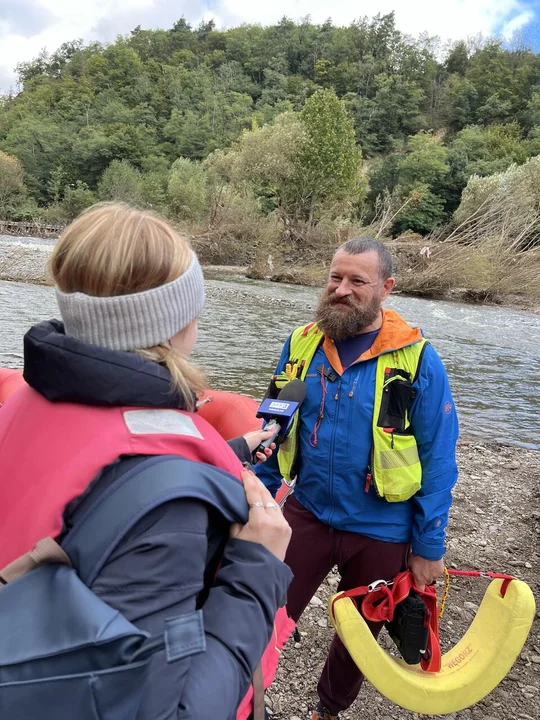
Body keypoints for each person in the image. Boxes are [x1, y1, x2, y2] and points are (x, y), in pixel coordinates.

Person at [0, 203, 292, 720]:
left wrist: (230, 454)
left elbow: (98, 486)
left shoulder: (29, 398)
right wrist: (256, 569)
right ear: (175, 321)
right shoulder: (169, 505)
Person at [256, 237, 459, 720]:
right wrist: (256, 498)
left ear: (385, 288)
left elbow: (438, 457)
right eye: (335, 277)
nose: (341, 289)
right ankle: (241, 699)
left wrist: (429, 545)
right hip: (305, 512)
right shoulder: (302, 343)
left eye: (357, 281)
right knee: (260, 609)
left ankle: (327, 711)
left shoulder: (417, 358)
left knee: (357, 636)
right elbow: (274, 426)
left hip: (382, 528)